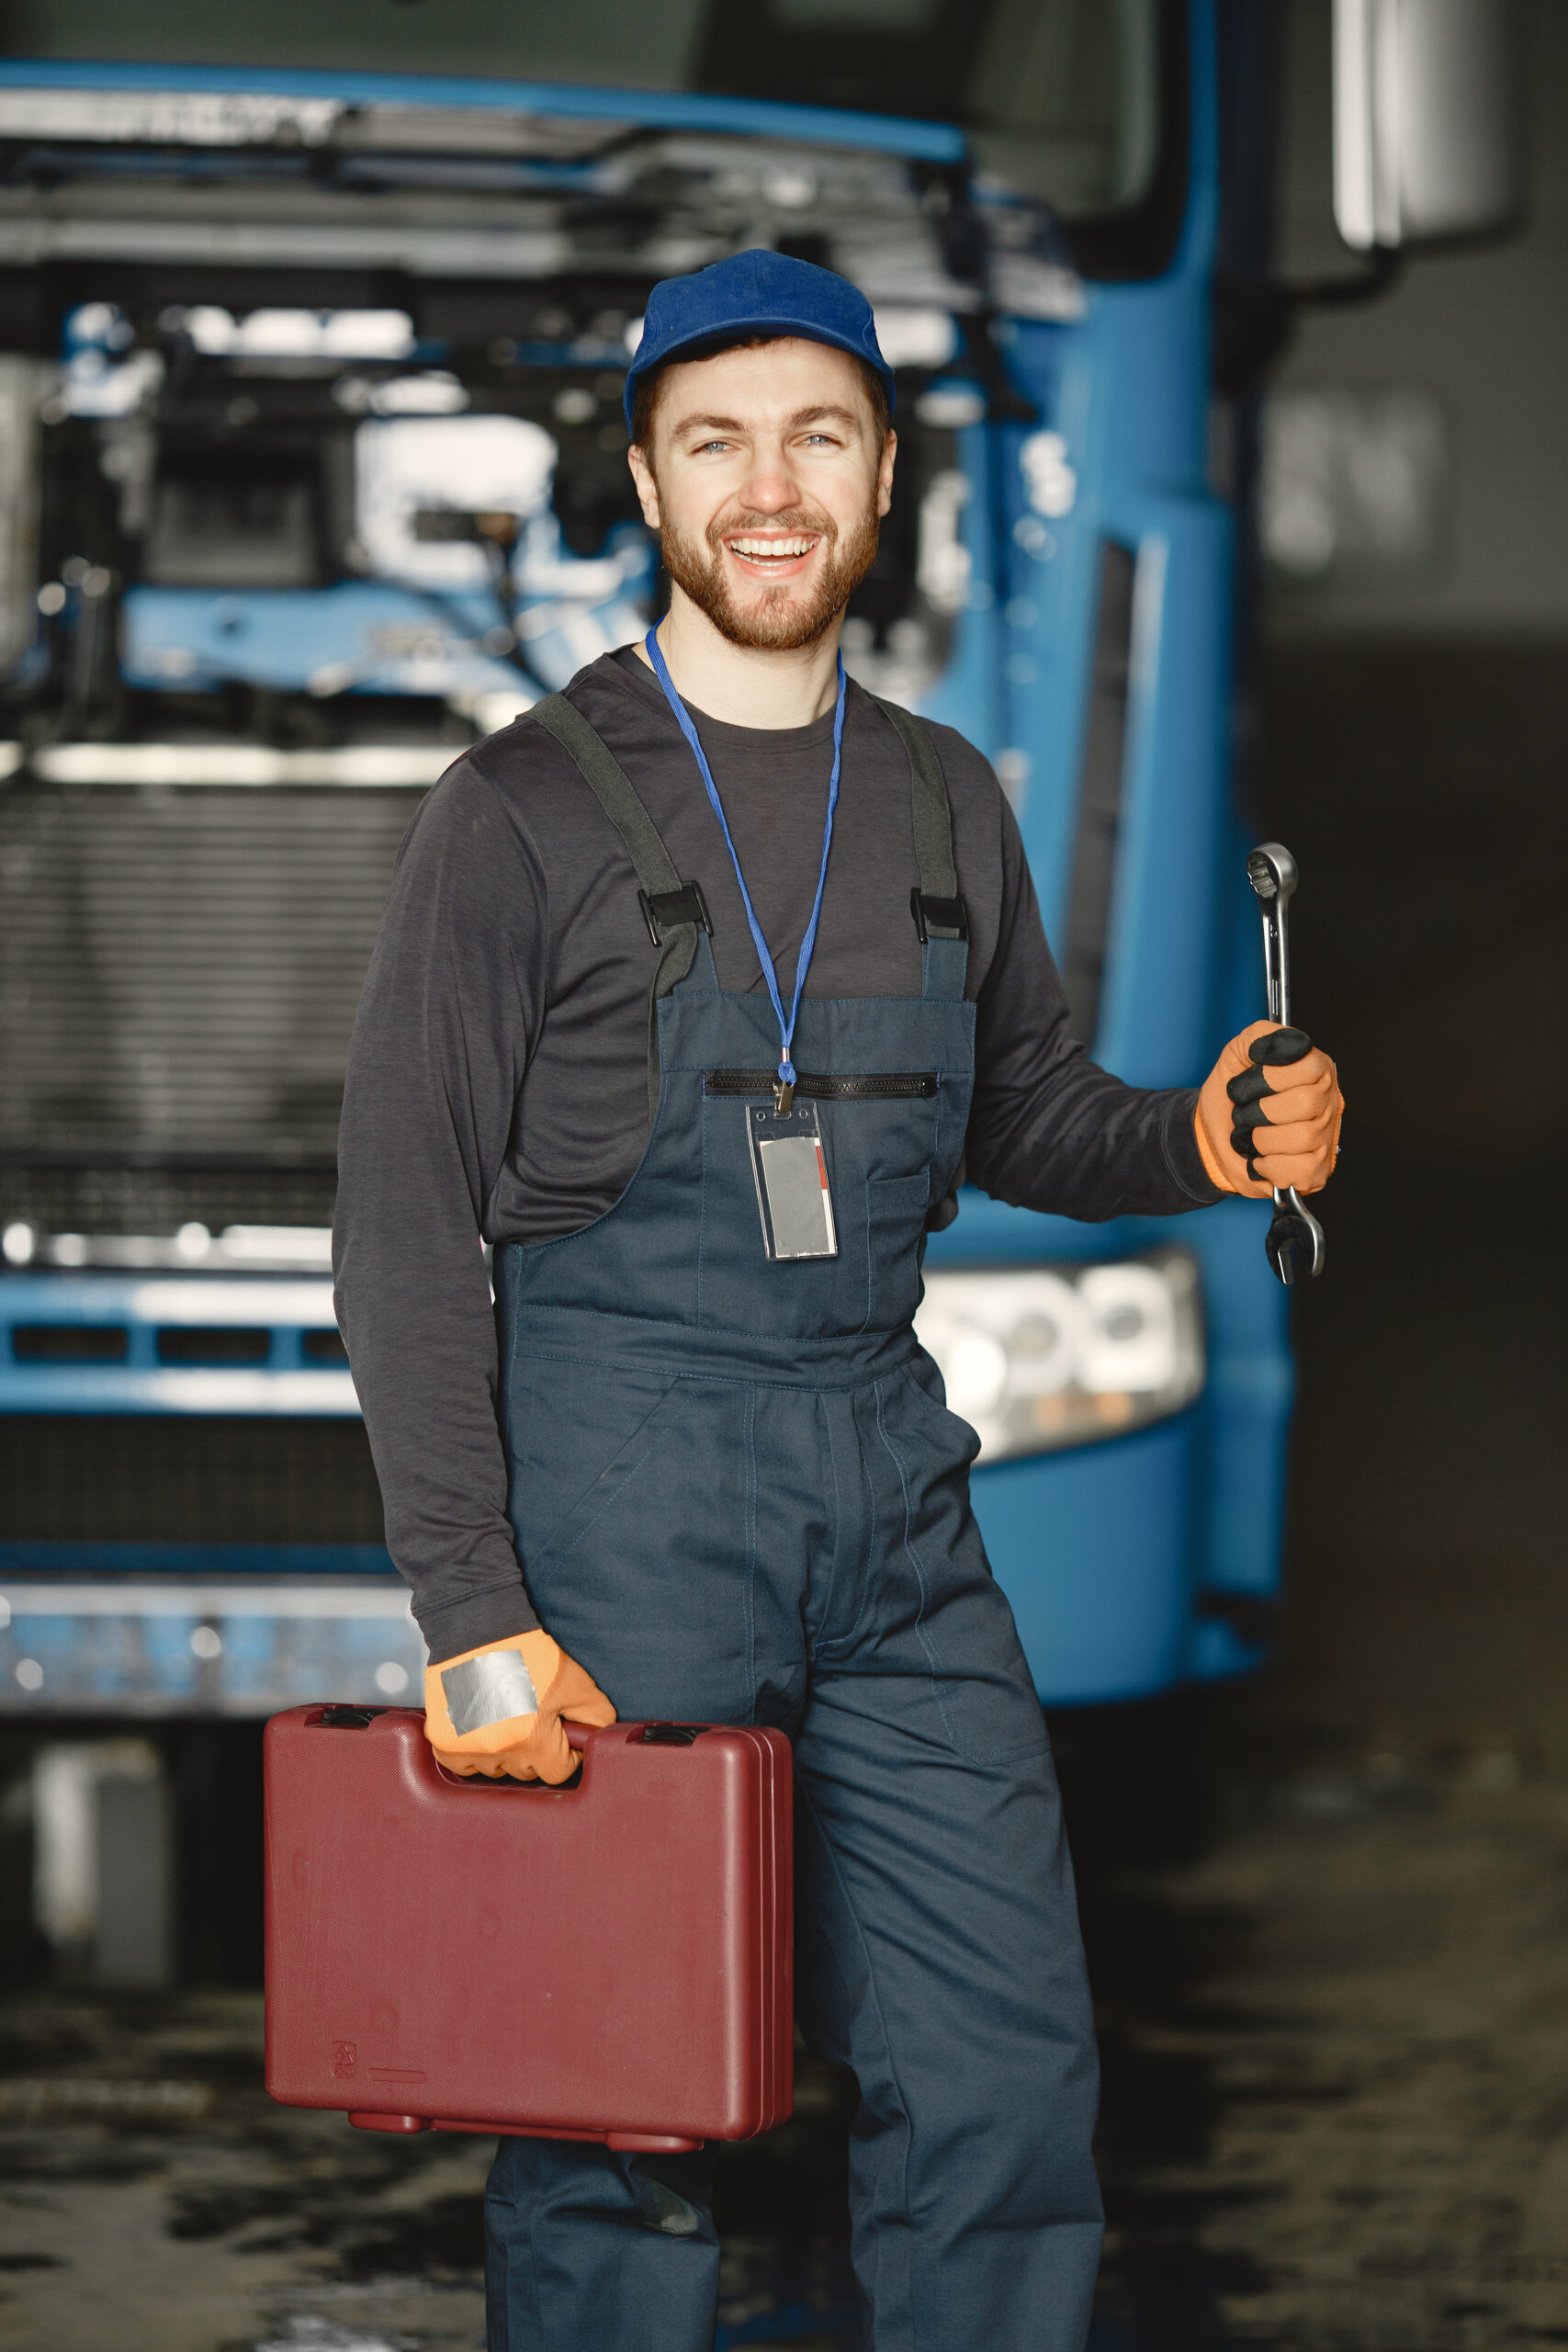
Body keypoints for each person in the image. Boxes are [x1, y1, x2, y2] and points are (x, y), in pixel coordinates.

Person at [333, 249, 1343, 2352]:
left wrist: (1199, 1136)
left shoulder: (943, 797)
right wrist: (470, 1609)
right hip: (620, 1508)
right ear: (646, 478)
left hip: (891, 1501)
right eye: (715, 441)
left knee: (1000, 2080)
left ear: (884, 476)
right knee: (608, 2113)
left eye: (816, 435)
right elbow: (406, 1224)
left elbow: (1032, 1112)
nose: (768, 488)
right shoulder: (515, 812)